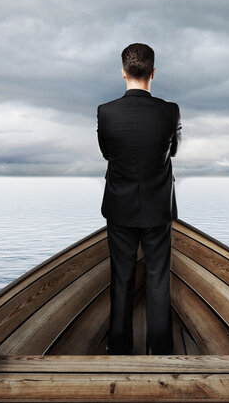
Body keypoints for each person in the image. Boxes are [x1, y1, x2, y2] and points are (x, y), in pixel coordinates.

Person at [97, 43, 182, 355]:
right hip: (158, 208)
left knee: (121, 279)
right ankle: (160, 351)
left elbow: (107, 153)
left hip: (119, 207)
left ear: (123, 72)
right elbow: (172, 150)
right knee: (158, 280)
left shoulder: (105, 113)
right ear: (153, 73)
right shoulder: (170, 111)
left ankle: (119, 350)